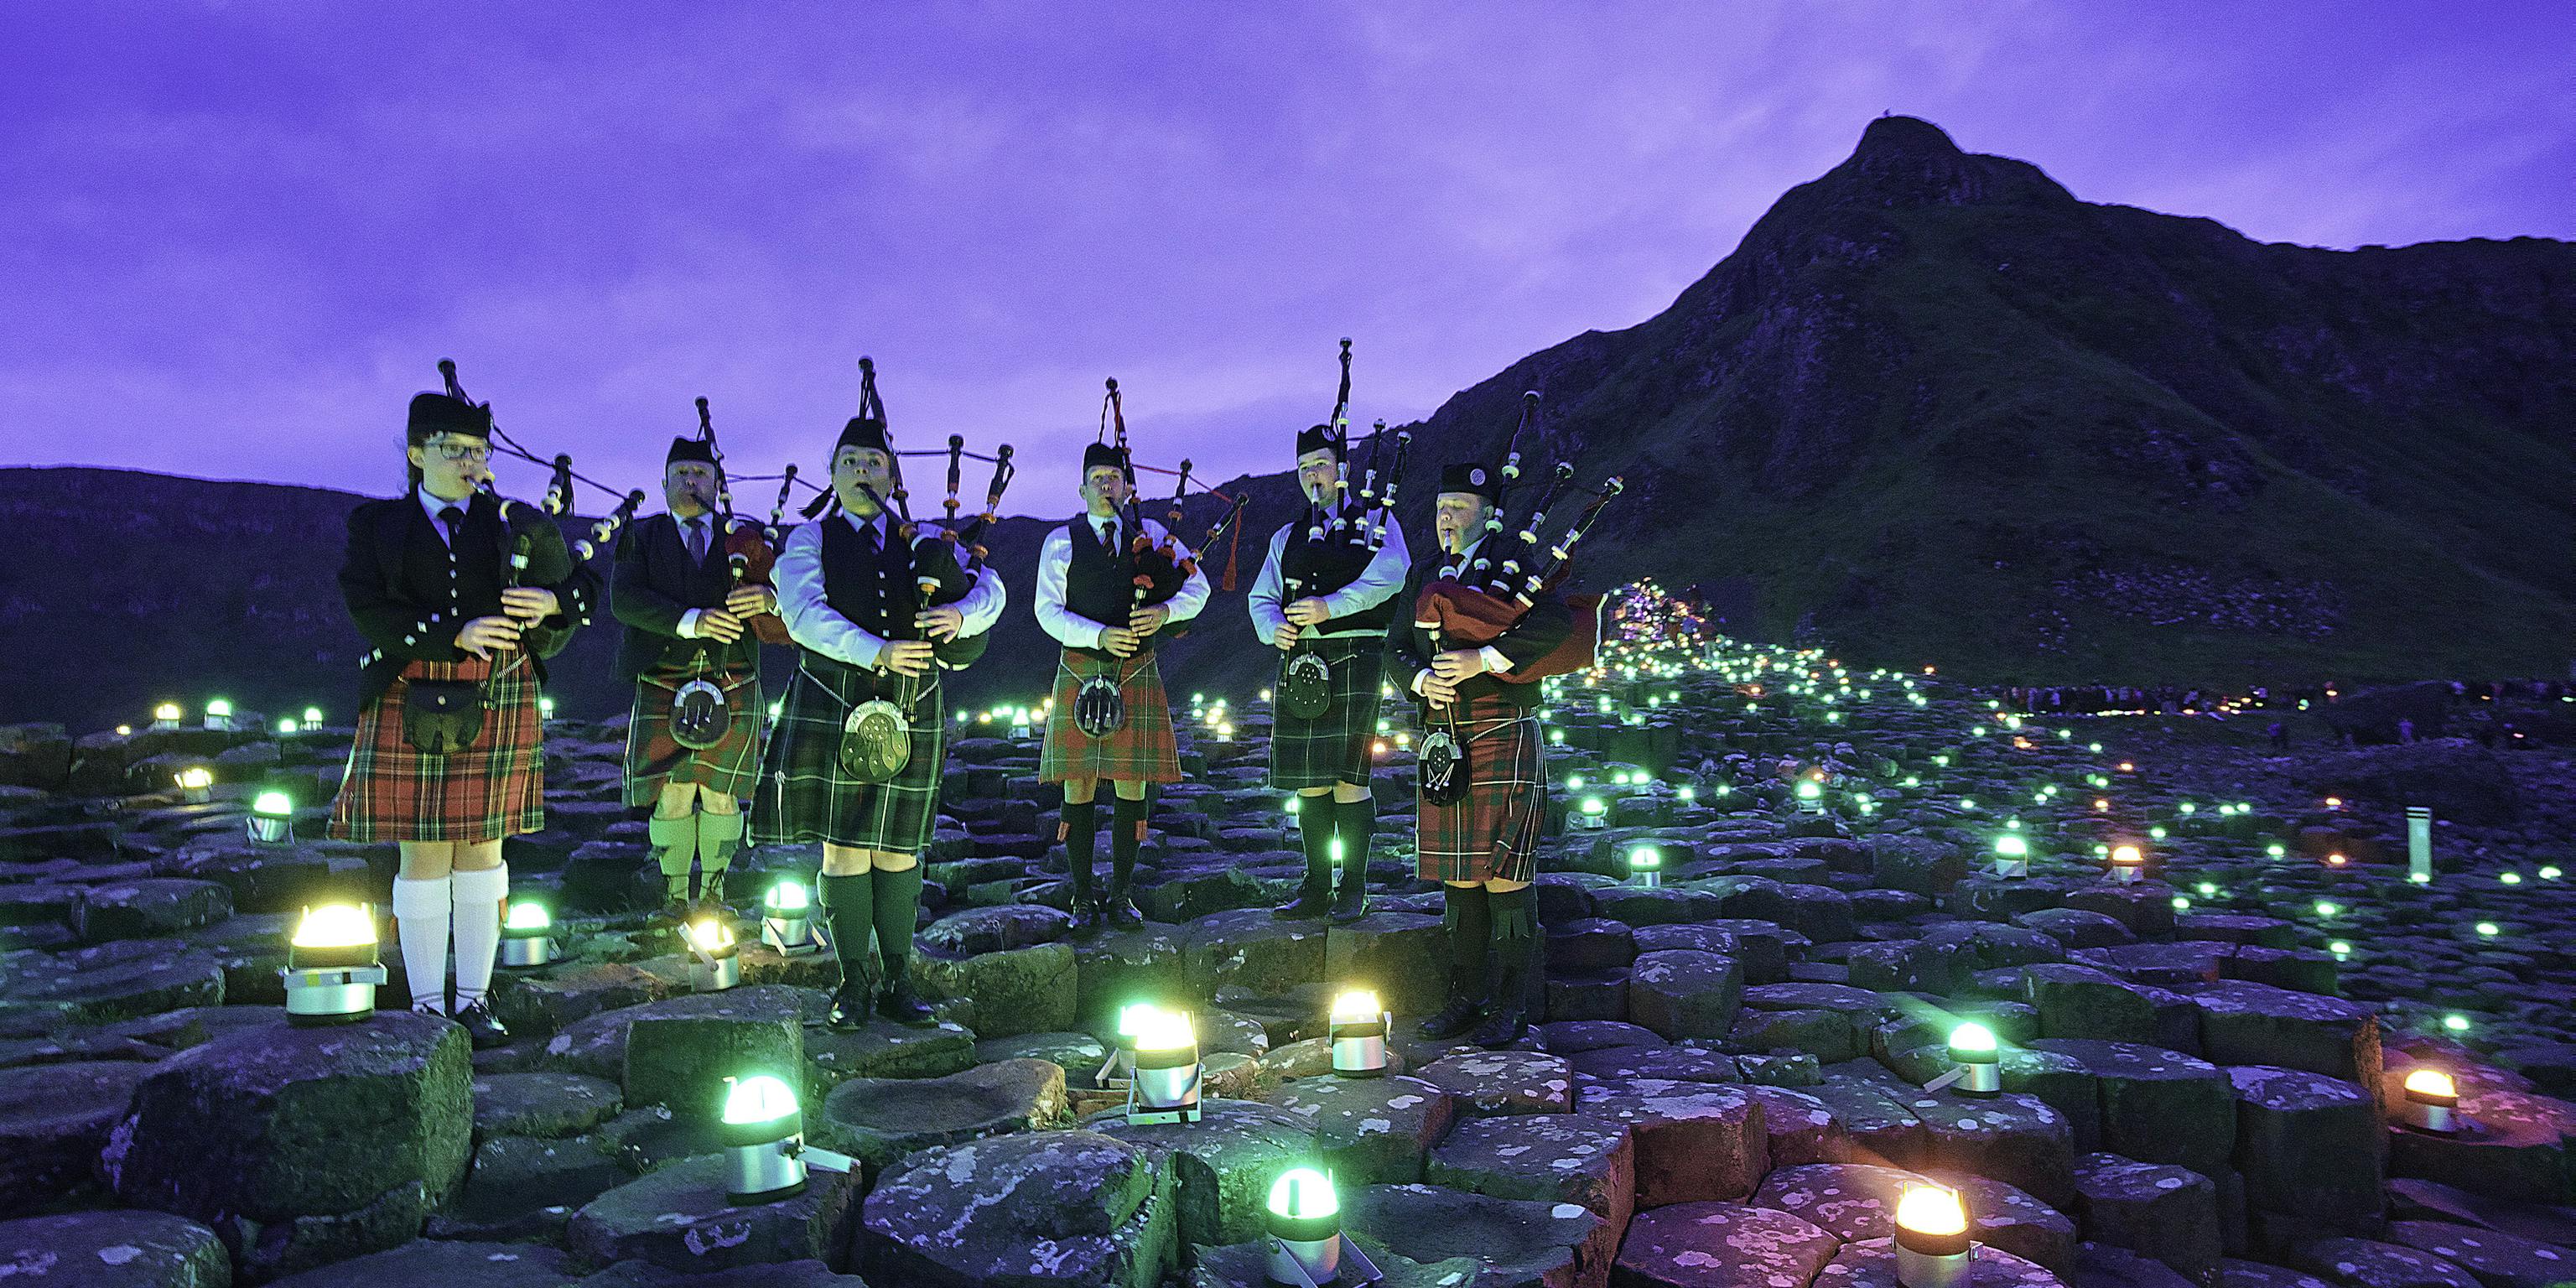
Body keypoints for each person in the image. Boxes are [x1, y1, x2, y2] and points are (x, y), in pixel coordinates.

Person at [328, 389, 596, 1047]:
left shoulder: (512, 523)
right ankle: (426, 1004)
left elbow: (581, 590)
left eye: (478, 450)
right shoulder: (378, 524)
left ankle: (474, 1000)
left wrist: (552, 604)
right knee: (422, 850)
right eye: (453, 449)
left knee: (483, 848)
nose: (470, 461)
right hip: (411, 683)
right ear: (417, 454)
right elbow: (366, 605)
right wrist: (453, 633)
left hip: (498, 686)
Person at [753, 411, 1005, 1029]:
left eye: (874, 463)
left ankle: (898, 979)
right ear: (832, 474)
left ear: (892, 475)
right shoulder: (808, 540)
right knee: (842, 849)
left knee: (898, 850)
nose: (863, 472)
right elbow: (801, 614)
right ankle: (852, 983)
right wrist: (878, 651)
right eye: (850, 463)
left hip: (913, 700)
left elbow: (991, 588)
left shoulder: (924, 539)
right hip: (834, 695)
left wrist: (962, 618)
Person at [1389, 460, 1571, 1049]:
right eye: (1441, 506)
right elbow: (1394, 647)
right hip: (1444, 738)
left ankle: (1513, 1005)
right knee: (1458, 878)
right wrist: (1421, 681)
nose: (1446, 516)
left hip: (1502, 728)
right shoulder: (1424, 572)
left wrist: (1482, 660)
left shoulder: (1515, 565)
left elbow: (1556, 625)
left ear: (1489, 515)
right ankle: (1467, 998)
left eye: (1459, 507)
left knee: (1505, 877)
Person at [1033, 439, 1210, 934]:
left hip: (1135, 668)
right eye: (1097, 479)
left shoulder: (1152, 536)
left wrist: (1165, 611)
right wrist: (1098, 635)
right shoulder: (1061, 541)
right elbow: (1046, 611)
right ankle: (1081, 897)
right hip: (1082, 666)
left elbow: (1198, 586)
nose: (1106, 486)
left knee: (1134, 782)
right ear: (1082, 488)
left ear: (1128, 488)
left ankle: (1121, 895)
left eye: (1114, 478)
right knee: (1079, 783)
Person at [1249, 424, 1410, 922]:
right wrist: (1273, 627)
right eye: (1304, 467)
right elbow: (1262, 597)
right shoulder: (1286, 536)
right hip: (1301, 662)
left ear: (1343, 469)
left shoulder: (1377, 521)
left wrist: (1330, 607)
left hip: (1356, 657)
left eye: (1320, 463)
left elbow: (1392, 575)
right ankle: (1317, 886)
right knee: (1309, 783)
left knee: (1348, 780)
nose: (1312, 474)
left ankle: (1354, 888)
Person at [612, 433, 775, 915]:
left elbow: (784, 593)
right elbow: (625, 600)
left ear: (717, 484)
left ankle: (715, 897)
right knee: (673, 794)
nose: (690, 481)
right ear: (663, 484)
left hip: (734, 674)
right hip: (663, 672)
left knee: (722, 794)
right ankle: (676, 899)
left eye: (700, 473)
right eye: (680, 473)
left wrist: (770, 597)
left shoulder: (745, 537)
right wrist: (692, 621)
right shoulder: (640, 535)